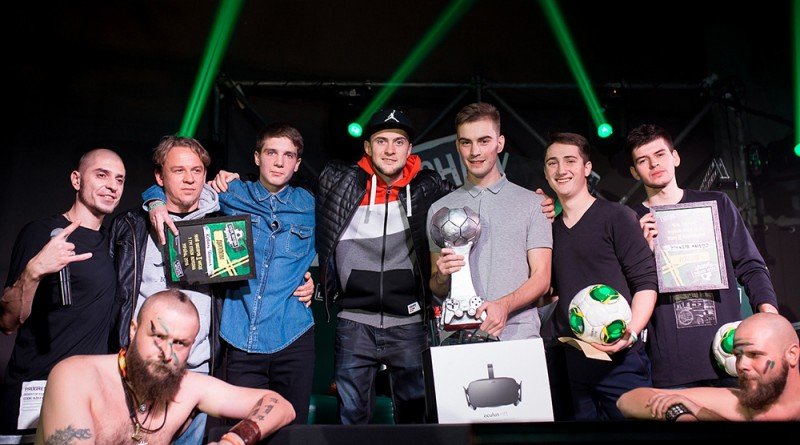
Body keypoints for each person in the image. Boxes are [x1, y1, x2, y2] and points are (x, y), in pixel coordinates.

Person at [144, 123, 316, 424]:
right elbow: (177, 187)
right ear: (257, 157)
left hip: (293, 335)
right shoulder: (230, 193)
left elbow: (339, 245)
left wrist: (318, 283)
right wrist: (154, 202)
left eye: (288, 155)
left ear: (298, 163)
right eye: (271, 153)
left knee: (292, 428)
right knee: (239, 431)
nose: (279, 162)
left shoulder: (310, 205)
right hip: (240, 337)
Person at [315, 108, 455, 424]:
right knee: (352, 419)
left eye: (398, 142)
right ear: (368, 147)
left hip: (409, 323)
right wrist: (237, 179)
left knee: (415, 420)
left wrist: (538, 197)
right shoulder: (339, 182)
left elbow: (473, 197)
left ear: (409, 149)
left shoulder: (426, 187)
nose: (390, 150)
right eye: (381, 141)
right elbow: (288, 184)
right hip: (354, 323)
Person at [626, 124, 779, 389]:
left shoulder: (717, 204)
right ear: (634, 172)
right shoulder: (629, 221)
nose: (654, 164)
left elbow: (750, 265)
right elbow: (627, 291)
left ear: (675, 157)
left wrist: (768, 311)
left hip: (728, 355)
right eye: (643, 160)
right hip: (671, 368)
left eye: (660, 154)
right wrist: (642, 253)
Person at [36, 289, 295, 445]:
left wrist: (234, 439)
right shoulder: (76, 376)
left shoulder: (188, 387)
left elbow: (280, 405)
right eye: (158, 336)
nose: (167, 353)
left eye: (180, 343)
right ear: (133, 330)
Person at [0, 148, 125, 436]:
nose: (112, 185)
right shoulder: (41, 233)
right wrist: (33, 272)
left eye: (119, 179)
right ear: (76, 180)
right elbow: (6, 322)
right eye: (101, 175)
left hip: (85, 397)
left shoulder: (113, 244)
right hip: (36, 391)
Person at [109, 135, 223, 444]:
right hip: (139, 373)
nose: (189, 179)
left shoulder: (222, 225)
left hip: (195, 373)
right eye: (178, 170)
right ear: (159, 177)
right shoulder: (131, 226)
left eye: (197, 171)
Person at [544, 132, 657, 420]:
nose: (561, 169)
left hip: (620, 359)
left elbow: (646, 283)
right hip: (571, 363)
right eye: (552, 163)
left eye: (570, 161)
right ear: (546, 173)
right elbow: (552, 292)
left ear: (587, 168)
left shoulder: (617, 216)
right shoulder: (548, 231)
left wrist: (630, 334)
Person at [427, 102, 552, 341]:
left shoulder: (533, 204)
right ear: (458, 146)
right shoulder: (439, 210)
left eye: (484, 141)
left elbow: (541, 278)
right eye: (466, 142)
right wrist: (442, 276)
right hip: (459, 338)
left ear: (500, 143)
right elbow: (437, 286)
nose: (475, 151)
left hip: (517, 335)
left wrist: (504, 306)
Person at [617, 312, 800, 421]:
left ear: (792, 354)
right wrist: (682, 414)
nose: (742, 365)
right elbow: (628, 400)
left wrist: (704, 414)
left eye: (754, 355)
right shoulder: (742, 404)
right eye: (738, 355)